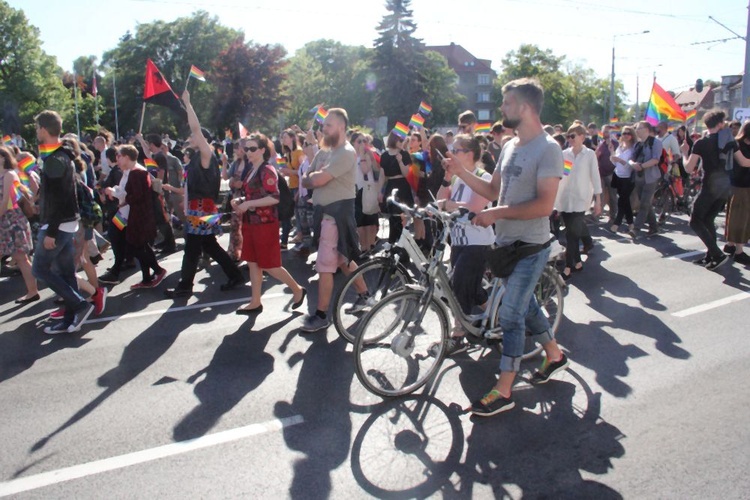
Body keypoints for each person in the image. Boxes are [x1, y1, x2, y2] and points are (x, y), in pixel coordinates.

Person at [444, 78, 567, 417]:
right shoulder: (510, 146)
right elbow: (492, 188)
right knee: (525, 306)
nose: (502, 109)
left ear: (525, 107)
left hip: (530, 246)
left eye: (507, 103)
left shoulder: (549, 148)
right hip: (505, 244)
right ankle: (555, 355)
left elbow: (544, 206)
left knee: (511, 314)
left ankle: (504, 389)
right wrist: (460, 172)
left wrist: (497, 213)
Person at [164, 90, 245, 298]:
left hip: (202, 207)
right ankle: (234, 275)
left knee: (192, 247)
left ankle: (185, 285)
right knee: (208, 245)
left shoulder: (206, 154)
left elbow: (196, 128)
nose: (190, 137)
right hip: (198, 206)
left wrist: (188, 104)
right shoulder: (196, 159)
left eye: (194, 136)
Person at [299, 108, 366, 333]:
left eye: (328, 125)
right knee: (343, 260)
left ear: (340, 127)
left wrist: (314, 178)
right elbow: (307, 177)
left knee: (325, 266)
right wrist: (313, 178)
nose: (323, 129)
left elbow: (316, 179)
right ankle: (366, 296)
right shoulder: (325, 151)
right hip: (325, 214)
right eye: (323, 125)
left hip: (335, 216)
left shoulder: (346, 152)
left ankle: (320, 315)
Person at [31, 110, 95, 334]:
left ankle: (79, 304)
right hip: (66, 224)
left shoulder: (56, 159)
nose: (36, 132)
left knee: (39, 268)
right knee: (66, 273)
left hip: (57, 225)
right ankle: (70, 320)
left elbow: (61, 199)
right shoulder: (60, 156)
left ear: (44, 130)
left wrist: (51, 232)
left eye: (38, 128)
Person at [230, 133, 306, 314]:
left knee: (270, 265)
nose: (248, 152)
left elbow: (274, 197)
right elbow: (253, 194)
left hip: (265, 224)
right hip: (251, 222)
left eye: (252, 148)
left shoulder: (267, 169)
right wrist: (240, 200)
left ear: (263, 150)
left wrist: (248, 203)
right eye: (246, 148)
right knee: (252, 262)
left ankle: (297, 289)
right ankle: (255, 301)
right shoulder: (252, 169)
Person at [435, 134, 494, 355]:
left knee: (459, 285)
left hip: (477, 242)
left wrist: (449, 204)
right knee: (471, 288)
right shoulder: (458, 177)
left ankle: (459, 335)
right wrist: (446, 176)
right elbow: (441, 199)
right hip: (459, 240)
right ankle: (497, 317)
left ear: (469, 154)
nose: (451, 153)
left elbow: (475, 207)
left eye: (456, 150)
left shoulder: (482, 176)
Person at [681, 109, 750, 270]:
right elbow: (745, 162)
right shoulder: (730, 141)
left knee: (695, 220)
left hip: (709, 187)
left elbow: (689, 168)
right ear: (719, 124)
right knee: (707, 219)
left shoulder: (701, 143)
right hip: (725, 188)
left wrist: (685, 153)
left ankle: (717, 254)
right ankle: (710, 256)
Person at [116, 145, 167, 289]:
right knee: (141, 245)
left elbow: (138, 196)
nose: (117, 160)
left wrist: (127, 199)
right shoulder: (138, 172)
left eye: (119, 156)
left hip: (140, 216)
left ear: (126, 156)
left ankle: (158, 270)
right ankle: (146, 279)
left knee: (135, 246)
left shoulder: (136, 173)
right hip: (142, 214)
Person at [556, 124, 602, 279]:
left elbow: (595, 176)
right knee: (571, 232)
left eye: (573, 136)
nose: (570, 139)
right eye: (568, 136)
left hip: (581, 199)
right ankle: (577, 263)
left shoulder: (589, 155)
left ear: (582, 137)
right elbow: (565, 176)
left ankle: (568, 267)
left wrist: (598, 200)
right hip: (566, 199)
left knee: (571, 235)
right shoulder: (565, 154)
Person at [0, 146, 39, 304]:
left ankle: (33, 291)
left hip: (12, 220)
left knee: (21, 257)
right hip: (5, 221)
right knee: (20, 257)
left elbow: (7, 202)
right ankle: (32, 291)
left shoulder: (9, 174)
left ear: (3, 158)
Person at [380, 132, 413, 244]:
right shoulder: (384, 155)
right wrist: (380, 191)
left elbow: (406, 173)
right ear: (394, 140)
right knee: (392, 216)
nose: (402, 142)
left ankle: (402, 242)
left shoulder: (404, 154)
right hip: (391, 185)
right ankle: (393, 241)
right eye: (400, 140)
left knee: (403, 216)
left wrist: (400, 161)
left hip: (402, 186)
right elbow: (382, 175)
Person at [631, 121, 663, 238]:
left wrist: (642, 166)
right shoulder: (637, 144)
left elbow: (656, 159)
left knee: (644, 203)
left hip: (650, 177)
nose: (637, 130)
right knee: (646, 203)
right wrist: (633, 164)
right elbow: (631, 158)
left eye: (639, 128)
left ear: (647, 129)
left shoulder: (655, 142)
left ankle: (636, 229)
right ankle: (654, 227)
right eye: (636, 128)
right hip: (639, 177)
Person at [351, 131, 380, 254]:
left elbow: (365, 170)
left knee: (370, 221)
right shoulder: (350, 156)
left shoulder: (368, 155)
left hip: (368, 190)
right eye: (359, 141)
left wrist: (364, 154)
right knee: (360, 223)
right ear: (353, 143)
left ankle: (369, 246)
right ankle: (363, 247)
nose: (362, 143)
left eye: (364, 141)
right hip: (356, 191)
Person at [726, 121, 750, 265]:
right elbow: (744, 162)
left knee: (735, 216)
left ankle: (730, 245)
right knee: (741, 218)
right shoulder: (737, 144)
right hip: (740, 186)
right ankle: (739, 251)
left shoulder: (737, 143)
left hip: (740, 185)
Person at [609, 126, 637, 235]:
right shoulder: (620, 146)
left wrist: (620, 161)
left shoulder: (633, 148)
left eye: (628, 133)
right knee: (625, 202)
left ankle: (616, 224)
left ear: (632, 135)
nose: (625, 135)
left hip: (628, 177)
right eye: (624, 133)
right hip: (618, 175)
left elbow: (630, 165)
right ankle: (631, 224)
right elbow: (614, 162)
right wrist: (612, 155)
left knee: (622, 200)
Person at [595, 124, 618, 224]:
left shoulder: (616, 144)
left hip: (611, 174)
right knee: (600, 195)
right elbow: (597, 157)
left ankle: (613, 216)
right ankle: (597, 215)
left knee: (613, 196)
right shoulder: (601, 144)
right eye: (604, 131)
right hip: (601, 173)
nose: (605, 133)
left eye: (607, 131)